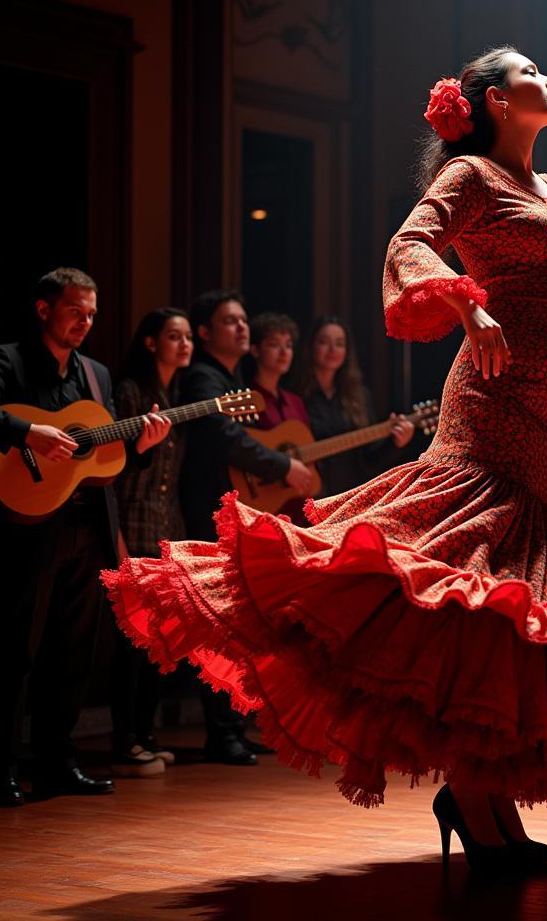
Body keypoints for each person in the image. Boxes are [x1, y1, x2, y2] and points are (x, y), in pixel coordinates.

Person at [105, 47, 547, 863]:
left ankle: (481, 798)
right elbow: (410, 244)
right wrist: (466, 306)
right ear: (490, 101)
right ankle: (480, 809)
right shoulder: (473, 179)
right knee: (480, 602)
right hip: (491, 412)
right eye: (529, 72)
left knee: (517, 622)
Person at [0, 269, 170, 807]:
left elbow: (105, 455)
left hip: (86, 526)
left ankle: (57, 763)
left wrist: (142, 443)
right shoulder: (8, 360)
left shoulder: (95, 375)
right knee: (13, 651)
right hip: (26, 525)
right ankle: (0, 767)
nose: (85, 322)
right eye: (75, 310)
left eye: (92, 314)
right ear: (45, 309)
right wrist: (28, 432)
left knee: (71, 651)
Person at [178, 290, 315, 765]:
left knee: (237, 625)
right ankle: (223, 731)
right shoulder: (201, 377)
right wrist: (282, 465)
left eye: (243, 321)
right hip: (204, 509)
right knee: (218, 622)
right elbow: (224, 438)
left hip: (228, 508)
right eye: (231, 321)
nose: (242, 328)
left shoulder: (231, 377)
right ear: (204, 332)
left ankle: (232, 726)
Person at [110, 307, 193, 778]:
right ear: (150, 342)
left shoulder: (174, 394)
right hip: (132, 524)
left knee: (158, 640)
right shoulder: (129, 392)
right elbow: (113, 470)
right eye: (173, 336)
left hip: (166, 525)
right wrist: (116, 534)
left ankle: (145, 735)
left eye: (187, 337)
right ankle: (126, 741)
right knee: (130, 641)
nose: (183, 344)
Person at [292, 315, 414, 497]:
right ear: (311, 346)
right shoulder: (294, 395)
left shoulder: (360, 397)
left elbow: (371, 460)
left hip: (350, 496)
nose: (333, 349)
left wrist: (396, 443)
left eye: (340, 343)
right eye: (324, 342)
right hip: (306, 497)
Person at [248, 312, 314, 522]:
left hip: (295, 504)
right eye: (274, 344)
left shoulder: (296, 401)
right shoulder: (244, 399)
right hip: (260, 504)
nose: (284, 352)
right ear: (255, 350)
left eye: (289, 345)